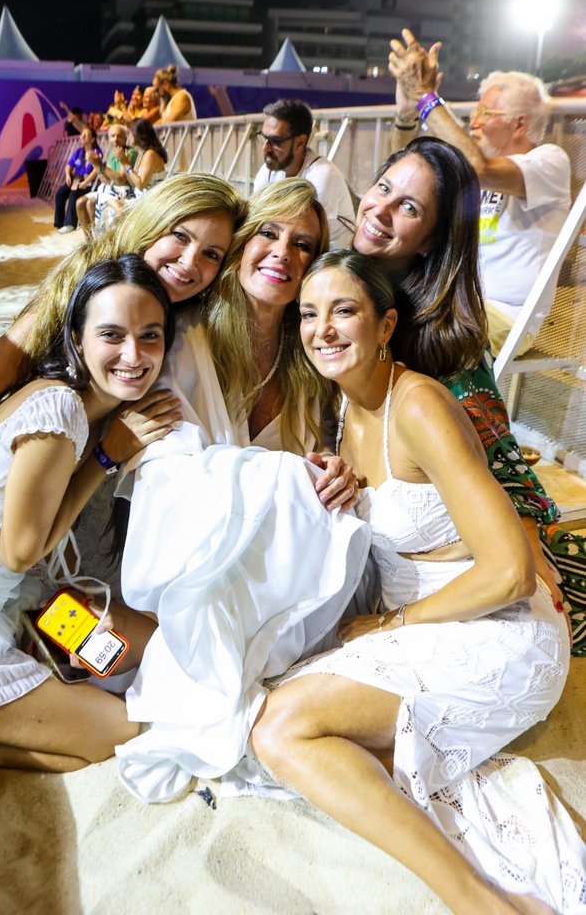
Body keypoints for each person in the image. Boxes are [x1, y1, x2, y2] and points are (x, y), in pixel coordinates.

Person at [248, 250, 583, 914]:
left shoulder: (419, 404)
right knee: (269, 713)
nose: (322, 329)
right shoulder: (339, 405)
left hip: (496, 629)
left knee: (280, 729)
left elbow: (511, 573)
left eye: (344, 311)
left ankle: (477, 900)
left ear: (385, 325)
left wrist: (389, 623)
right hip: (429, 622)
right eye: (309, 314)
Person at [114, 178, 364, 800]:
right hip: (180, 560)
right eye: (268, 233)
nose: (283, 252)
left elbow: (321, 461)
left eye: (303, 244)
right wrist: (282, 477)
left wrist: (332, 470)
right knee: (109, 662)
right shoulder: (183, 337)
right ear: (241, 245)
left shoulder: (310, 358)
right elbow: (164, 469)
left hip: (268, 569)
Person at [0, 174, 246, 599]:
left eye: (211, 254)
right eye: (180, 235)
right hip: (20, 476)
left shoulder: (190, 316)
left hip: (42, 500)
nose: (191, 262)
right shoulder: (83, 289)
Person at [0, 255, 179, 772]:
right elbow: (19, 553)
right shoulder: (60, 409)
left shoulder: (71, 404)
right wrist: (104, 459)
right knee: (116, 733)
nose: (133, 355)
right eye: (112, 335)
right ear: (77, 339)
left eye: (150, 336)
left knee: (139, 644)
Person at [351, 135, 586, 652]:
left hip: (432, 547)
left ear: (431, 239)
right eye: (383, 188)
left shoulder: (438, 333)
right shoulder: (334, 277)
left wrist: (526, 536)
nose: (381, 210)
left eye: (409, 208)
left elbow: (493, 438)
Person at [388, 29, 572, 356]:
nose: (473, 122)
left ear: (519, 124)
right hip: (456, 299)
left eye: (485, 113)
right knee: (368, 299)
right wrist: (407, 112)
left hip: (504, 316)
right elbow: (401, 169)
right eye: (475, 112)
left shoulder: (549, 161)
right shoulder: (470, 164)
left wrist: (426, 97)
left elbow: (480, 168)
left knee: (400, 328)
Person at [252, 98, 355, 249]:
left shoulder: (322, 176)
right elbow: (254, 220)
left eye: (275, 141)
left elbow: (308, 236)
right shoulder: (268, 171)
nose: (265, 147)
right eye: (264, 137)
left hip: (332, 256)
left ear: (300, 142)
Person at [53, 128, 102, 233]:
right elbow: (68, 166)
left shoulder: (96, 152)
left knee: (74, 193)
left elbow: (96, 170)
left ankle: (70, 224)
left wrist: (85, 182)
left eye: (86, 135)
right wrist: (67, 175)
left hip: (89, 182)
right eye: (82, 134)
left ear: (92, 139)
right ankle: (59, 223)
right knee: (60, 193)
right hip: (76, 179)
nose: (82, 136)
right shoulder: (79, 152)